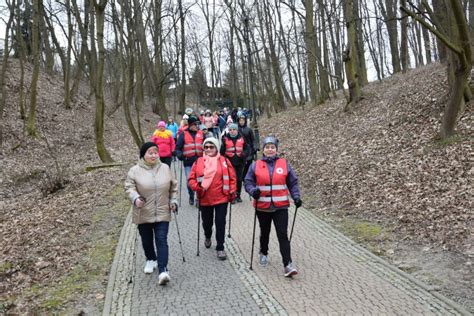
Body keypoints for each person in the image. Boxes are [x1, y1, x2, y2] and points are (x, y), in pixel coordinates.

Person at [244, 136, 302, 277]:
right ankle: (263, 251)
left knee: (282, 235)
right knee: (265, 232)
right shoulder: (255, 165)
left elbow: (292, 182)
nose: (270, 150)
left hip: (280, 206)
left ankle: (287, 264)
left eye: (272, 147)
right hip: (263, 205)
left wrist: (296, 197)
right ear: (263, 150)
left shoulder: (284, 164)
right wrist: (253, 191)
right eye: (267, 147)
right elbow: (247, 182)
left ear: (276, 150)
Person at [125, 142, 178, 285]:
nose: (154, 155)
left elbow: (173, 186)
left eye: (156, 152)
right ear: (143, 155)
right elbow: (129, 187)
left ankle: (163, 270)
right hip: (143, 211)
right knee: (147, 240)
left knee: (161, 239)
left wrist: (173, 200)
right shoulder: (134, 170)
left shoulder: (165, 168)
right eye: (150, 152)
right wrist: (135, 198)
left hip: (162, 210)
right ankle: (151, 259)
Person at [188, 137, 237, 260]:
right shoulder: (198, 161)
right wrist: (196, 187)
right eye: (206, 147)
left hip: (222, 197)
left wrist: (232, 190)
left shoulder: (224, 161)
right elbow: (191, 179)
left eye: (211, 147)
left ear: (216, 148)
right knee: (207, 222)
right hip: (205, 198)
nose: (209, 149)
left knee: (220, 223)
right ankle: (208, 235)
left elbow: (232, 178)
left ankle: (220, 247)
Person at [175, 116, 203, 205]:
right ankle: (191, 195)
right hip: (188, 162)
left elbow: (207, 144)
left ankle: (198, 199)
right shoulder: (183, 134)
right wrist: (180, 155)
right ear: (190, 125)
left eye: (197, 124)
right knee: (189, 181)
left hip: (200, 162)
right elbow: (178, 148)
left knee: (200, 180)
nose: (196, 126)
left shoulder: (201, 133)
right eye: (195, 124)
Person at [220, 123, 250, 203]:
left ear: (237, 130)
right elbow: (221, 152)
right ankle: (232, 195)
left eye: (234, 130)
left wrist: (244, 154)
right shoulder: (225, 139)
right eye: (230, 130)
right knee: (231, 179)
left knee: (239, 179)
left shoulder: (242, 137)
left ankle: (238, 195)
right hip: (229, 162)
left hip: (240, 162)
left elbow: (247, 148)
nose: (232, 131)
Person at [238, 115, 257, 188]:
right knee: (242, 166)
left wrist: (254, 147)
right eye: (240, 120)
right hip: (240, 150)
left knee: (248, 165)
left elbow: (253, 140)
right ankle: (243, 178)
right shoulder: (237, 130)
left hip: (249, 150)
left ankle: (247, 179)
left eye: (243, 120)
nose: (241, 122)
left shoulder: (249, 130)